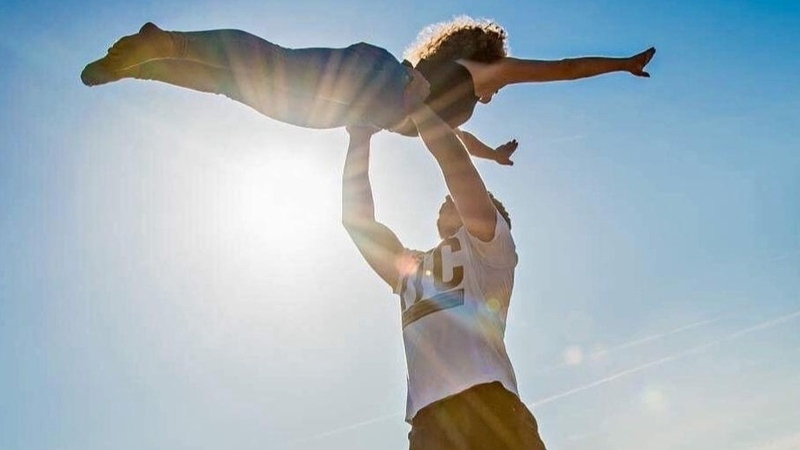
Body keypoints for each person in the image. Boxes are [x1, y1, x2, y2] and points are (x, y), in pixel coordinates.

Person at [81, 16, 655, 165]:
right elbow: (566, 67)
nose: (497, 92)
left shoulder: (452, 107)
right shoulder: (485, 71)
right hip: (371, 86)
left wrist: (494, 155)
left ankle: (147, 63)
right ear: (486, 57)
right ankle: (169, 45)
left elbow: (463, 144)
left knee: (248, 87)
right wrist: (622, 64)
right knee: (264, 72)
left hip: (356, 100)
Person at [342, 101, 545, 448]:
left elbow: (456, 166)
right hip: (429, 423)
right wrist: (359, 135)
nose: (449, 197)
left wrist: (418, 105)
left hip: (489, 409)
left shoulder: (491, 249)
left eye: (460, 199)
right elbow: (357, 221)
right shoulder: (411, 268)